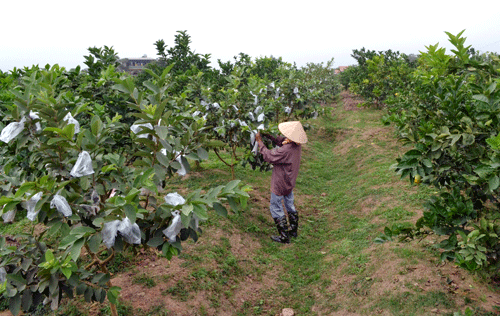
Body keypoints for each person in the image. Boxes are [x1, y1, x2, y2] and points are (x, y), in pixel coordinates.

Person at [255, 121, 307, 244]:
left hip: (280, 182)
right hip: (290, 181)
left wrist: (259, 142)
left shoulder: (286, 150)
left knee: (275, 206)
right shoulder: (296, 145)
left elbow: (268, 156)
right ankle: (293, 231)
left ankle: (284, 236)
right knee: (290, 204)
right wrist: (268, 134)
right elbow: (281, 140)